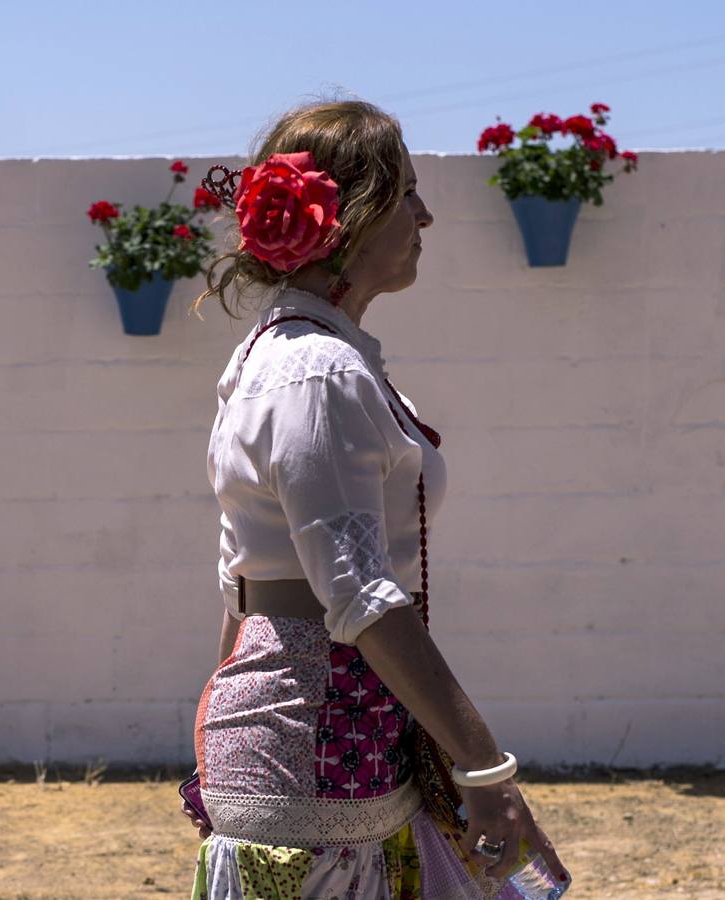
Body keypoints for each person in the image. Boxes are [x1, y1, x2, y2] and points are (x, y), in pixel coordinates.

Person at [185, 99, 572, 899]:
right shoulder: (315, 371)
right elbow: (359, 597)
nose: (424, 214)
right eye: (407, 195)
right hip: (319, 742)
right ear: (350, 219)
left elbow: (239, 580)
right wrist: (482, 764)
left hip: (327, 736)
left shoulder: (288, 357)